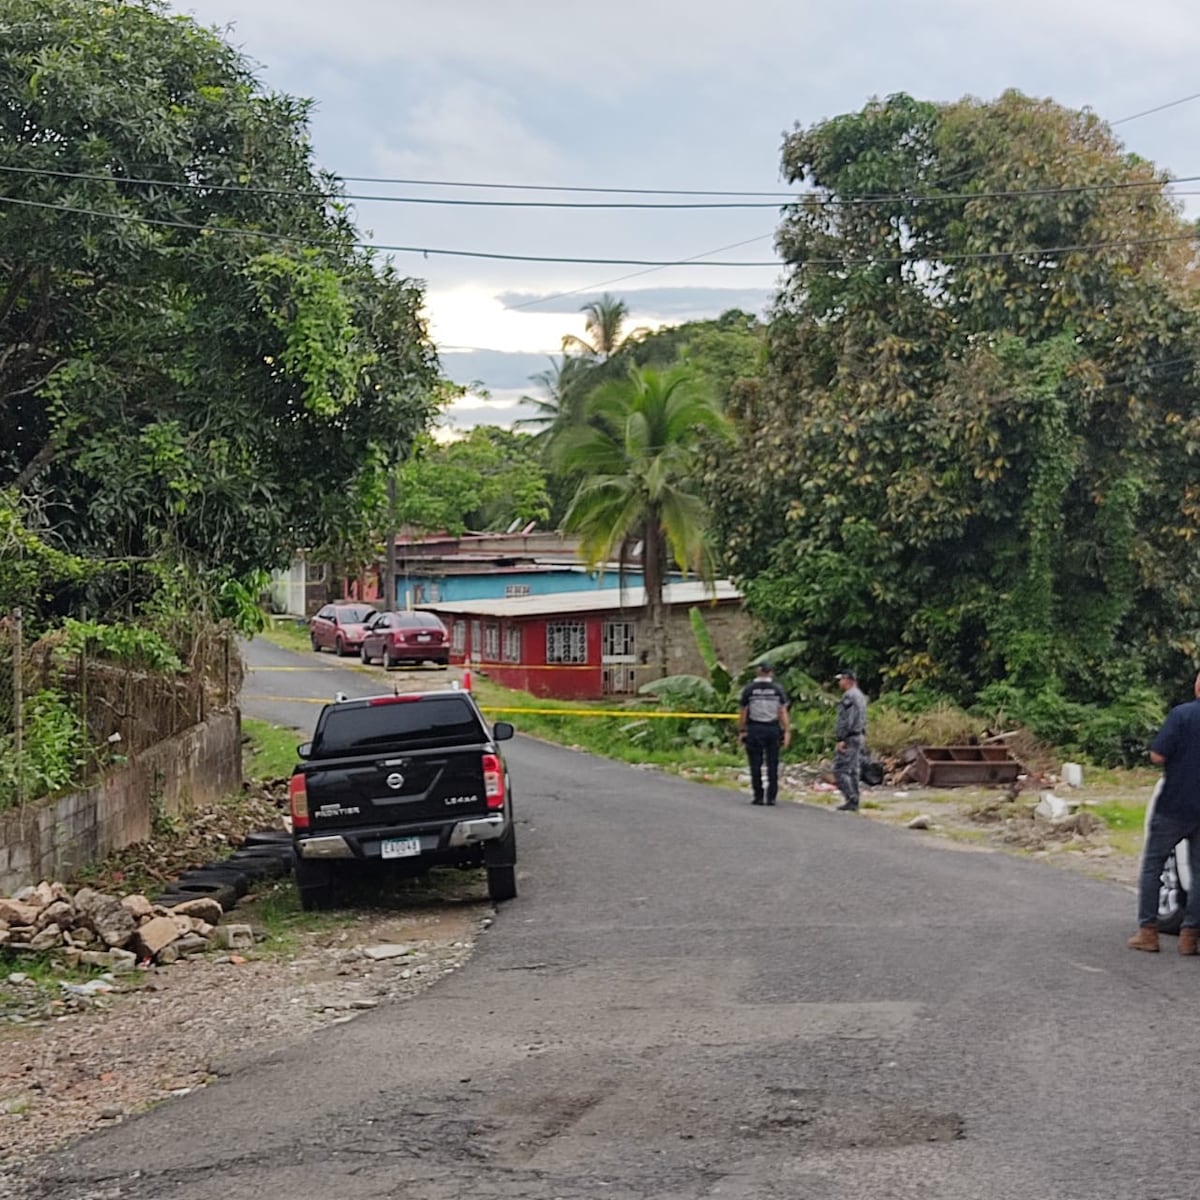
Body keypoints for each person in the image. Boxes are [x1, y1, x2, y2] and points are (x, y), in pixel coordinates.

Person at [1128, 671, 1200, 954]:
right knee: (1199, 872)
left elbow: (1158, 755)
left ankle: (1148, 932)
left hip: (1174, 805)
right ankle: (1190, 937)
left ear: (1197, 687)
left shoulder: (1181, 715)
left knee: (1153, 866)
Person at [738, 662, 791, 805]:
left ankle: (758, 795)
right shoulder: (777, 690)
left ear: (758, 672)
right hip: (772, 729)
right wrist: (786, 731)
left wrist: (742, 730)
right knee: (772, 763)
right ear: (771, 673)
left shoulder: (749, 690)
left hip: (755, 729)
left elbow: (744, 712)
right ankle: (772, 797)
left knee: (755, 763)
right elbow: (782, 712)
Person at [833, 669, 868, 812]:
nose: (839, 682)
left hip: (850, 736)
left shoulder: (849, 696)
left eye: (841, 679)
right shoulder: (860, 695)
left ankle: (851, 797)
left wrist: (841, 738)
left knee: (840, 769)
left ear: (848, 680)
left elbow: (848, 719)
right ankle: (854, 800)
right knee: (854, 770)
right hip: (859, 735)